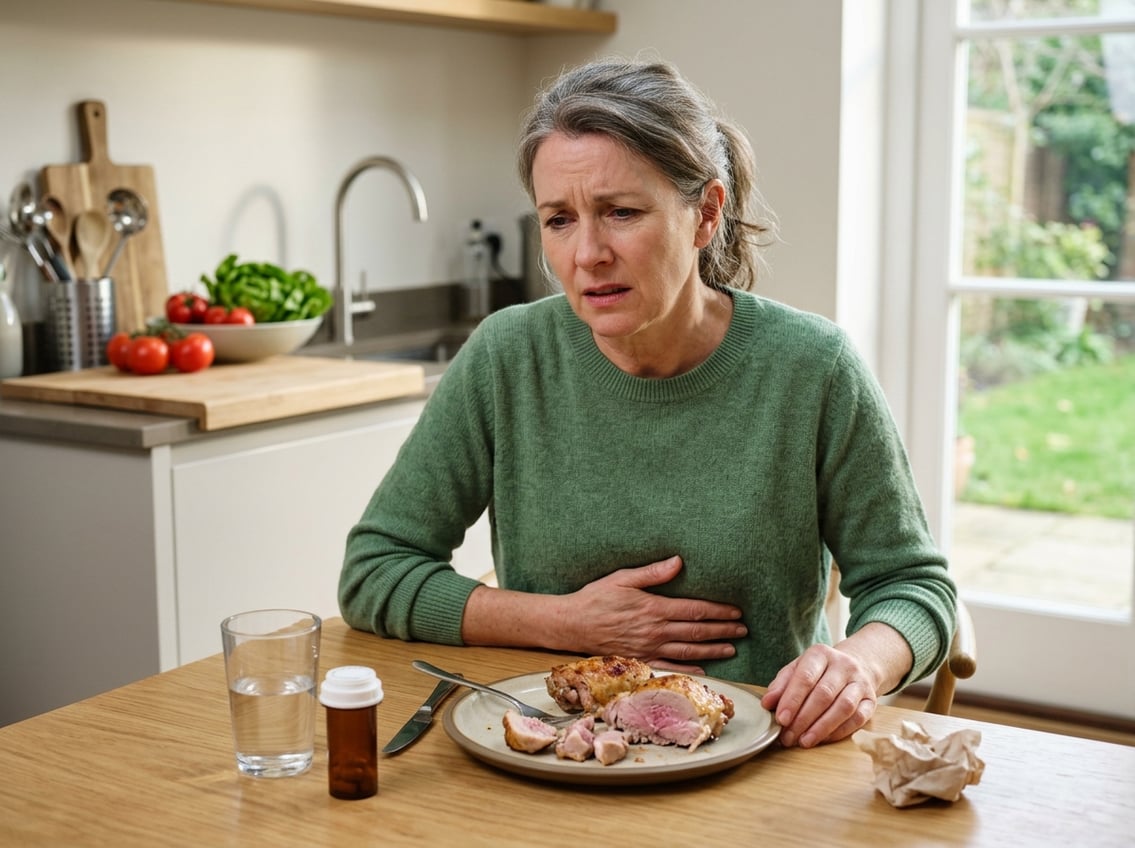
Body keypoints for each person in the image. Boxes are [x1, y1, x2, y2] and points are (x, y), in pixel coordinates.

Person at [339, 56, 957, 749]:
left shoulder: (811, 368)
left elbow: (914, 589)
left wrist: (857, 667)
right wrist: (562, 623)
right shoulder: (506, 357)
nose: (587, 254)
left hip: (762, 758)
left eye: (620, 213)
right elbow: (374, 572)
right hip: (557, 757)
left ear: (706, 214)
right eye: (558, 220)